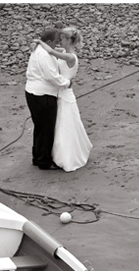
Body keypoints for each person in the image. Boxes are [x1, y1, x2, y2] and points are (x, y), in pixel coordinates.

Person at [34, 27, 93, 172]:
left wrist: (39, 42)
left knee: (65, 123)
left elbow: (51, 52)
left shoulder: (71, 56)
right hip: (61, 91)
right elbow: (54, 51)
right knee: (60, 123)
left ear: (68, 40)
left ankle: (67, 156)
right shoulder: (65, 52)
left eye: (61, 39)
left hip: (65, 93)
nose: (59, 42)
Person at [25, 28, 71, 170]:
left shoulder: (38, 49)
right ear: (49, 41)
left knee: (39, 127)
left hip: (32, 92)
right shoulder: (43, 54)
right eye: (56, 41)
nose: (57, 44)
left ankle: (37, 156)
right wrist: (66, 83)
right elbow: (51, 76)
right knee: (47, 129)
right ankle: (44, 161)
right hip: (43, 95)